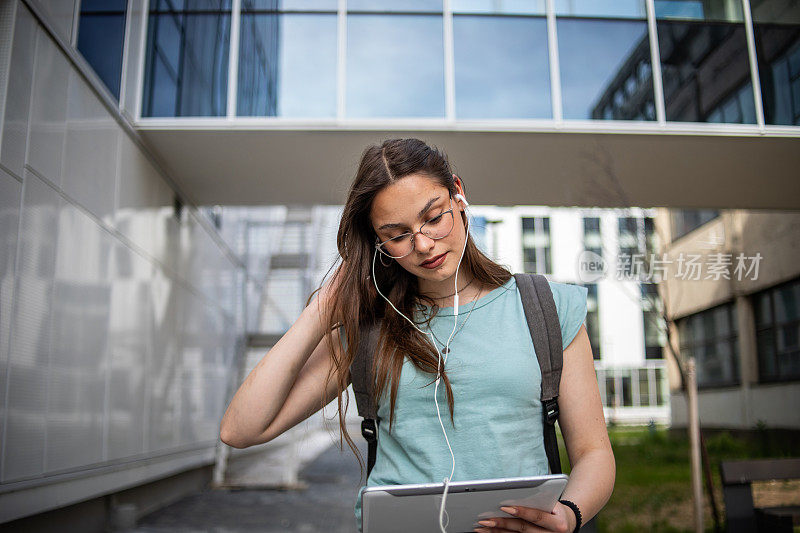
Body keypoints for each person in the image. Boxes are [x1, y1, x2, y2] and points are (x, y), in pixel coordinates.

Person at [220, 138, 615, 533]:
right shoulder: (370, 329)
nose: (423, 244)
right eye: (397, 235)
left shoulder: (545, 308)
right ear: (378, 244)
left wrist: (568, 514)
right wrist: (322, 310)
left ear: (458, 193)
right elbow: (241, 429)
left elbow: (594, 454)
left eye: (433, 217)